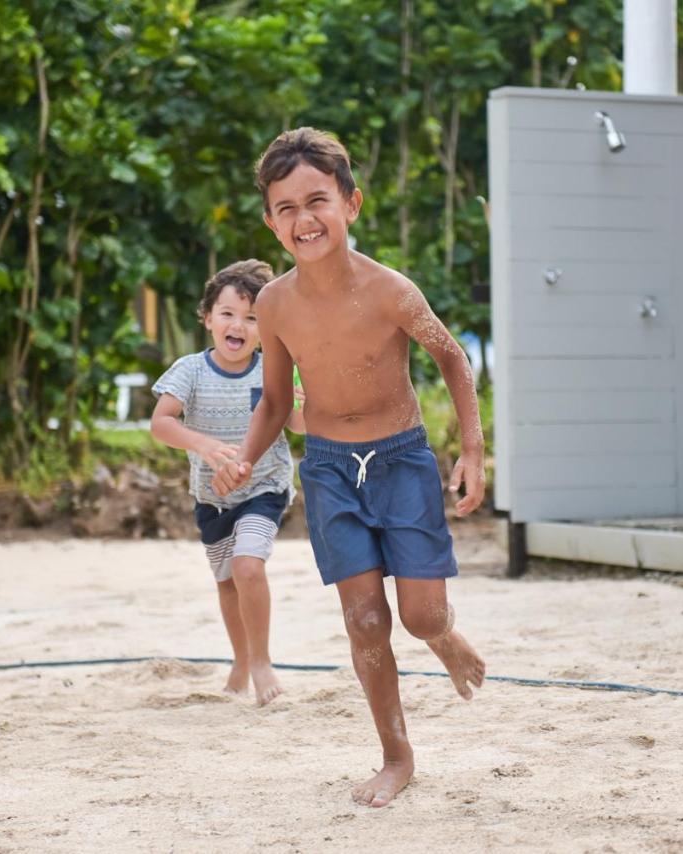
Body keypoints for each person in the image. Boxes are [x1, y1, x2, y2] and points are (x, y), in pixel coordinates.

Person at [212, 128, 487, 807]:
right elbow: (277, 399)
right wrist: (246, 457)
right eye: (285, 208)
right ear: (270, 220)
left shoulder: (392, 291)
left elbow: (453, 358)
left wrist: (474, 450)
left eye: (317, 201)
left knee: (420, 617)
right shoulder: (273, 304)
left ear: (351, 204)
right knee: (365, 620)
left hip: (402, 462)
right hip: (330, 469)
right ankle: (396, 756)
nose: (304, 220)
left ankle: (443, 636)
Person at [150, 259, 304, 707]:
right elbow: (161, 423)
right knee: (227, 583)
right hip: (212, 498)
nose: (239, 324)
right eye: (228, 314)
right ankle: (241, 658)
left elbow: (297, 424)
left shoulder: (272, 369)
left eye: (252, 317)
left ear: (265, 326)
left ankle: (261, 661)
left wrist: (309, 403)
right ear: (208, 319)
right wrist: (202, 444)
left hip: (264, 488)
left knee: (248, 565)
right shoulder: (190, 370)